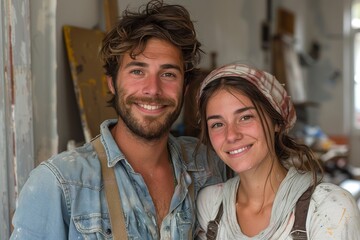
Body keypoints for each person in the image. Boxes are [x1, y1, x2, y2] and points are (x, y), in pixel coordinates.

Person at [10, 1, 227, 239]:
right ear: (112, 83)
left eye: (168, 74)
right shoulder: (59, 183)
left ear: (185, 88)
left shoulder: (205, 164)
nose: (152, 90)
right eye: (137, 71)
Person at [195, 63, 360, 239]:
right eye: (217, 124)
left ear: (277, 122)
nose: (231, 135)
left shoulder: (328, 207)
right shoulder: (210, 205)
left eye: (245, 117)